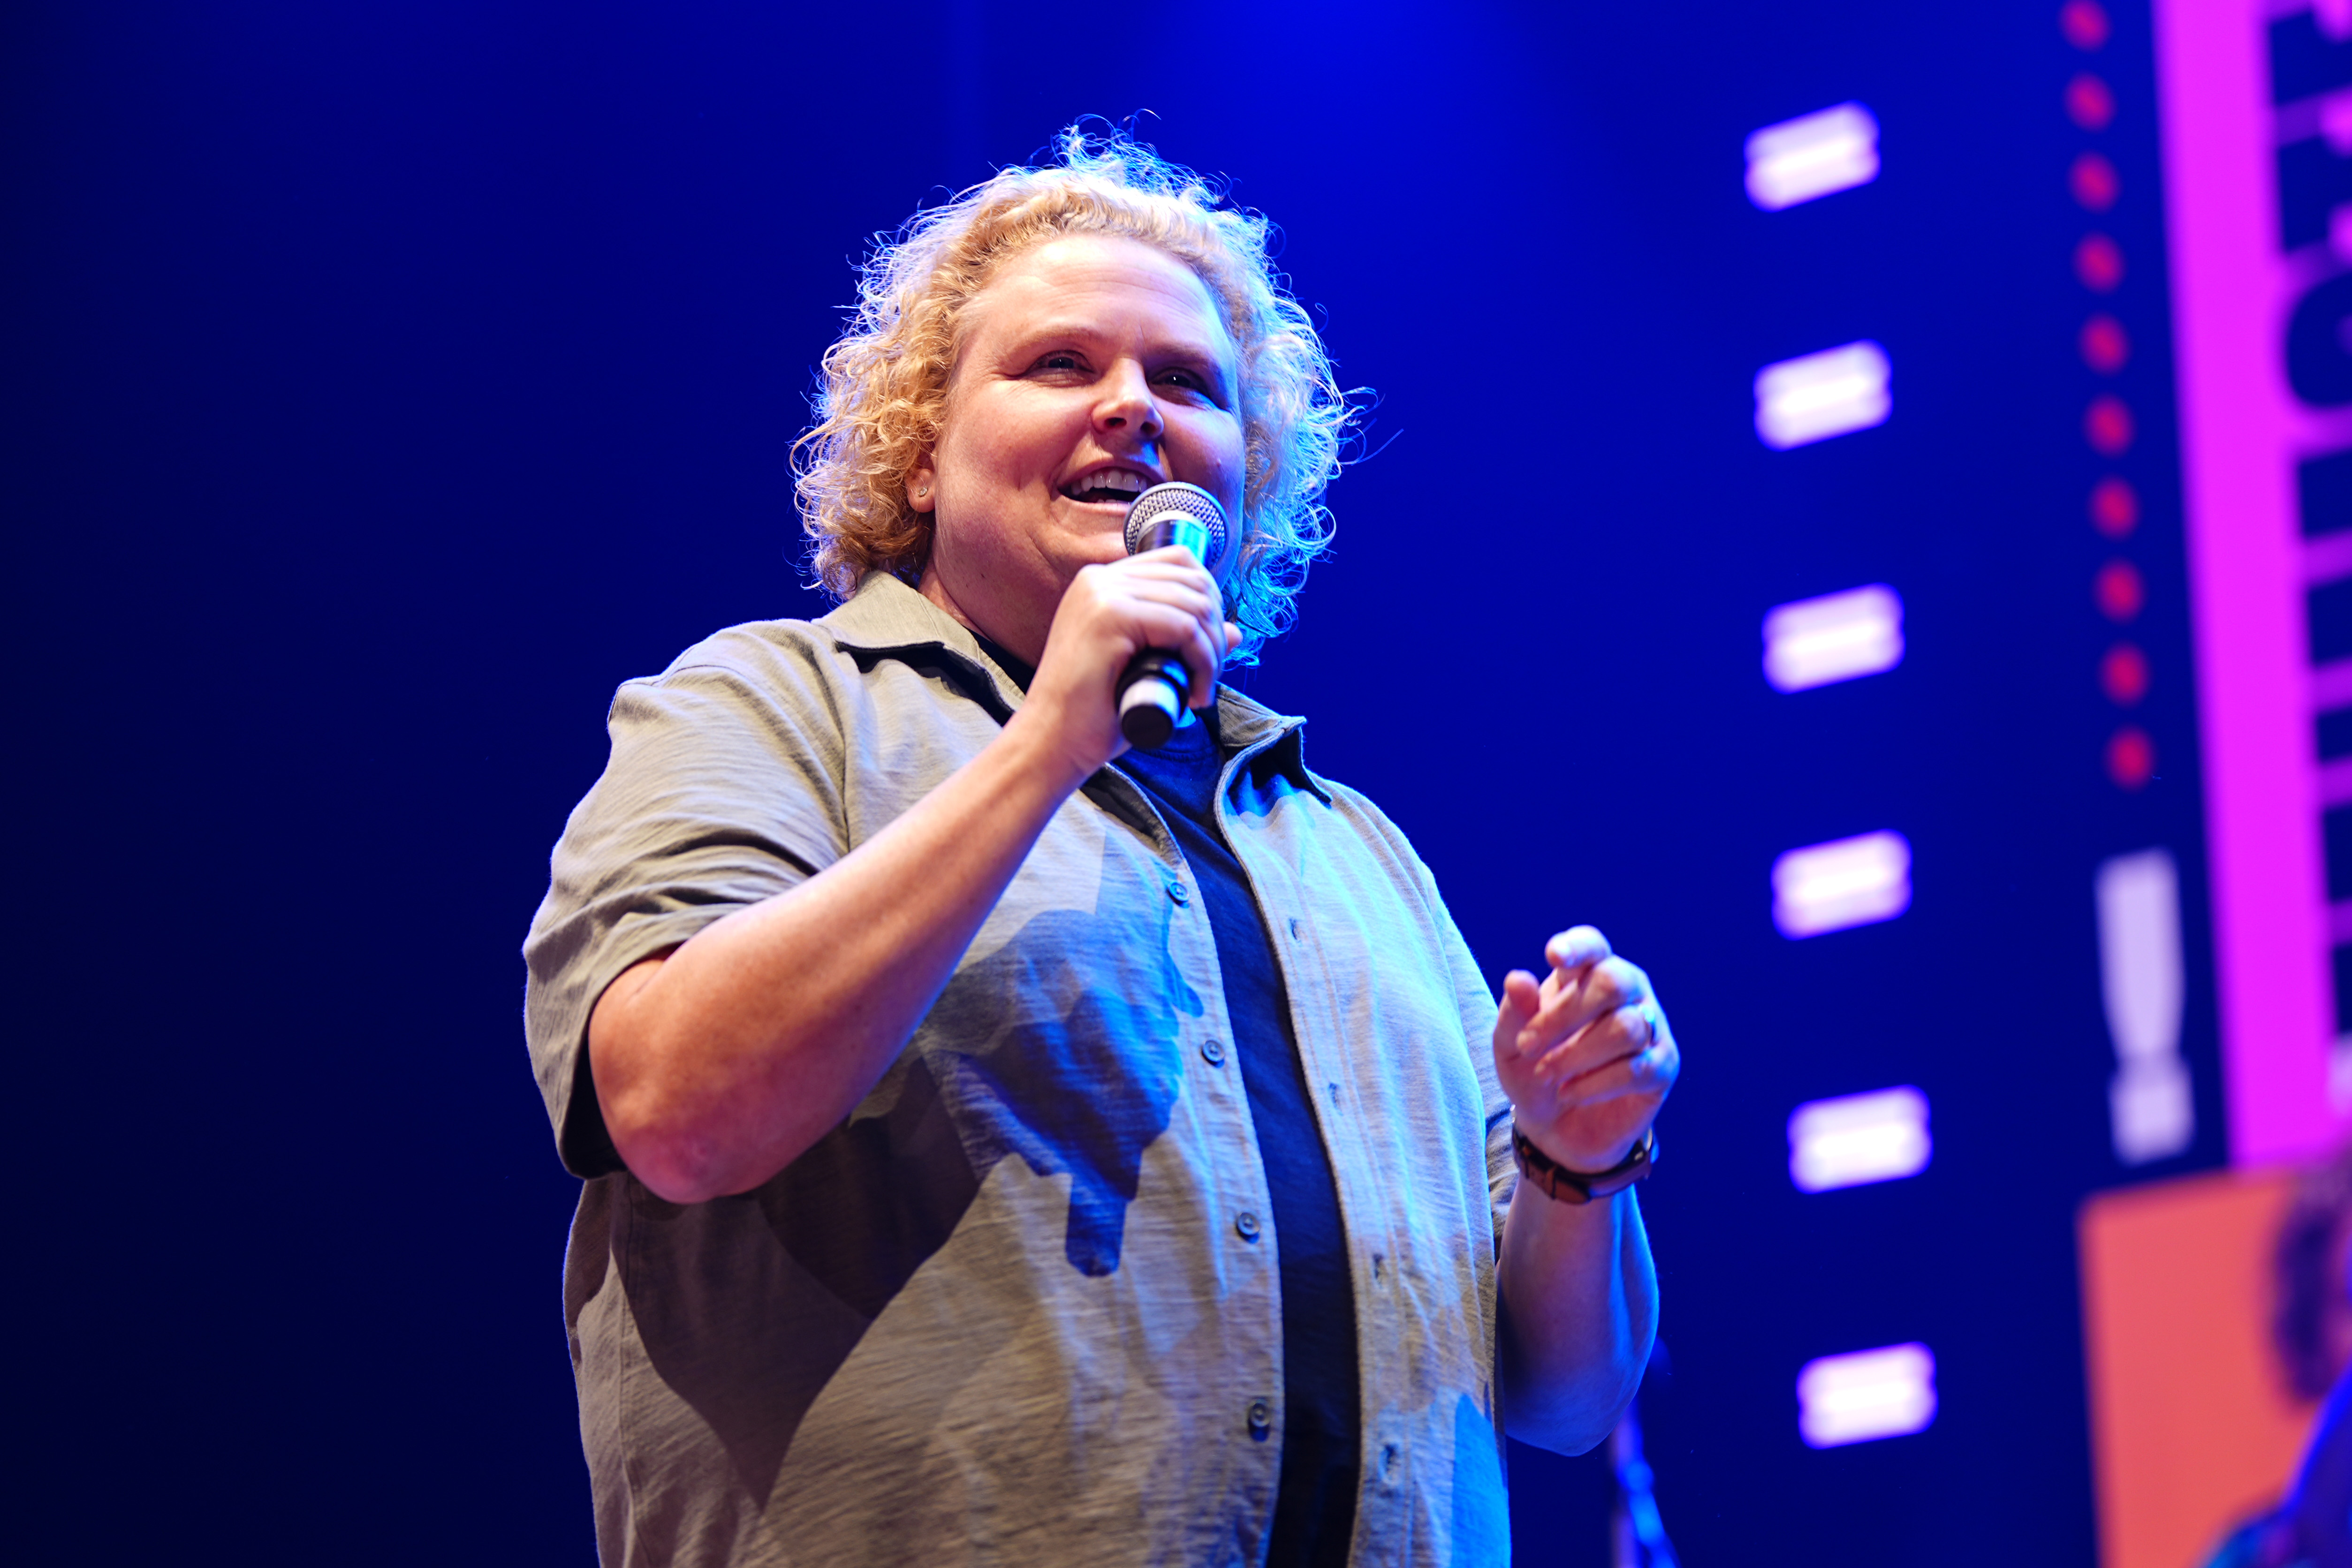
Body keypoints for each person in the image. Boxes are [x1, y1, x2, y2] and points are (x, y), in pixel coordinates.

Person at [523, 128, 1679, 1568]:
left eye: (1186, 385)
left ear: (1245, 480)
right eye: (1060, 365)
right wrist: (1046, 746)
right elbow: (679, 1111)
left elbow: (1565, 1399)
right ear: (921, 457)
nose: (1132, 408)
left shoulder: (1358, 856)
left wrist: (1577, 1163)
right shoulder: (770, 706)